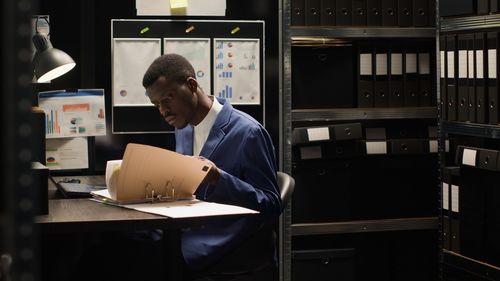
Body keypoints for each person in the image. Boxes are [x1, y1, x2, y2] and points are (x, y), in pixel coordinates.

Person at [142, 53, 282, 280]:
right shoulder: (183, 128)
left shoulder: (248, 132)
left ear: (191, 85)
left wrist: (219, 178)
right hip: (185, 231)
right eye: (156, 104)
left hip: (226, 243)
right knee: (114, 246)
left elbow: (272, 205)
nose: (163, 110)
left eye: (168, 99)